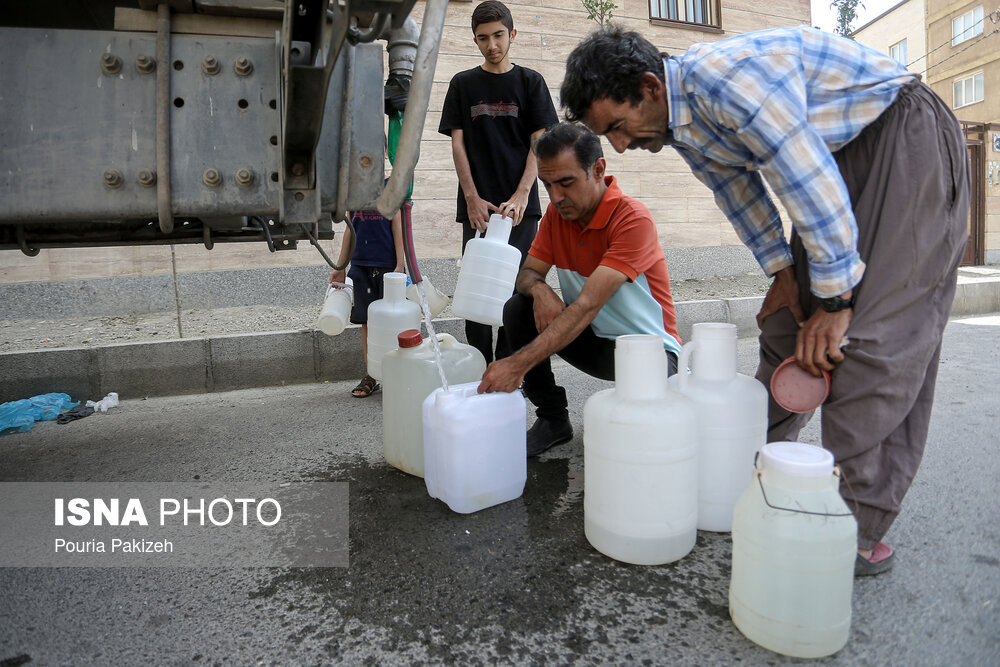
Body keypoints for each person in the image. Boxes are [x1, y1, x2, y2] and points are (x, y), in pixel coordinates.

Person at [560, 25, 969, 575]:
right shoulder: (683, 125)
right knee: (785, 324)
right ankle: (752, 472)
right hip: (832, 162)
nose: (620, 146)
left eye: (617, 126)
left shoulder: (728, 82)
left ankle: (853, 526)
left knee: (874, 341)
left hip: (899, 135)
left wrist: (836, 299)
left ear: (651, 87)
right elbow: (738, 191)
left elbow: (802, 174)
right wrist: (782, 271)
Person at [478, 123, 682, 457]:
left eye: (566, 182)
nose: (555, 197)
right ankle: (553, 421)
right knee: (518, 308)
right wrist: (541, 291)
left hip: (652, 356)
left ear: (598, 169)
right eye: (547, 185)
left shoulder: (632, 219)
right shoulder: (557, 217)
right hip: (593, 341)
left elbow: (587, 304)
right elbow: (528, 273)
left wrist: (516, 364)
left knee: (643, 450)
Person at [437, 0, 558, 364]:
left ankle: (510, 367)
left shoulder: (530, 82)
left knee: (516, 288)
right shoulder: (462, 84)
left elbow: (540, 142)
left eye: (499, 35)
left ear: (512, 34)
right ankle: (479, 366)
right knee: (477, 288)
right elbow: (458, 145)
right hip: (479, 206)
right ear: (475, 41)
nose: (492, 44)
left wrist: (522, 194)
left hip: (520, 207)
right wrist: (471, 197)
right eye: (483, 38)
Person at [330, 202, 405, 398]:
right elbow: (350, 228)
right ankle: (371, 375)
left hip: (388, 266)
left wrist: (399, 264)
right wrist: (340, 266)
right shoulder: (354, 192)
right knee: (367, 321)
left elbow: (398, 226)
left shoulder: (390, 189)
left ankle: (398, 375)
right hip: (360, 265)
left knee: (394, 321)